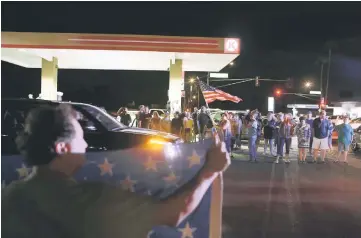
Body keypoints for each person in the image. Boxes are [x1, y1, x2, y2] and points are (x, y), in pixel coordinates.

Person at [2, 104, 231, 238]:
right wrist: (209, 170)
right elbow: (173, 213)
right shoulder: (95, 202)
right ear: (62, 147)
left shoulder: (7, 199)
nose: (85, 146)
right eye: (81, 138)